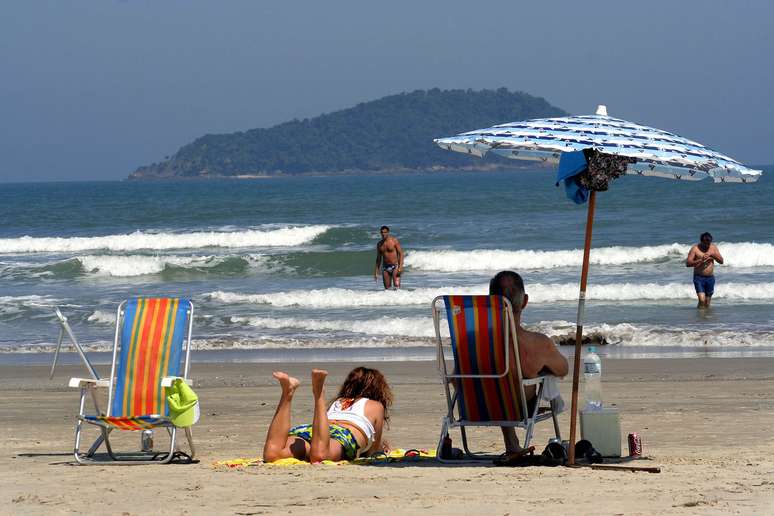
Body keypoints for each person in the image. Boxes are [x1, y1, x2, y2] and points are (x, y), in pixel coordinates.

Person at [489, 270, 569, 457]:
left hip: (476, 407)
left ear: (491, 302)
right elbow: (563, 369)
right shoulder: (537, 343)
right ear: (524, 302)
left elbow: (456, 379)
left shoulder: (470, 340)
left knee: (496, 379)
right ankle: (512, 441)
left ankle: (511, 441)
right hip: (517, 408)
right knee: (542, 377)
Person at [262, 367, 392, 463]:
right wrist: (382, 447)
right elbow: (373, 451)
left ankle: (287, 393)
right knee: (319, 456)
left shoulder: (338, 401)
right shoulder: (376, 405)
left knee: (273, 454)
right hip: (343, 435)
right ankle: (319, 393)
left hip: (315, 431)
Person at [686, 232, 724, 308]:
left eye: (709, 243)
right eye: (705, 244)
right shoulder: (695, 249)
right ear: (701, 242)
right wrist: (700, 260)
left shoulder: (713, 248)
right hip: (699, 278)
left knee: (707, 302)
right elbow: (688, 263)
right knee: (702, 300)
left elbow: (721, 261)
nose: (707, 245)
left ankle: (704, 317)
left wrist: (713, 255)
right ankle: (700, 316)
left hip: (710, 278)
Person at [374, 225, 404, 289]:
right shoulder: (379, 244)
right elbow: (378, 259)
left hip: (395, 266)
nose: (383, 234)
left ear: (388, 232)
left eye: (385, 232)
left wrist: (400, 267)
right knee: (387, 289)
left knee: (397, 287)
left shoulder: (394, 241)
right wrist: (376, 272)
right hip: (385, 268)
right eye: (382, 232)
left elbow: (401, 253)